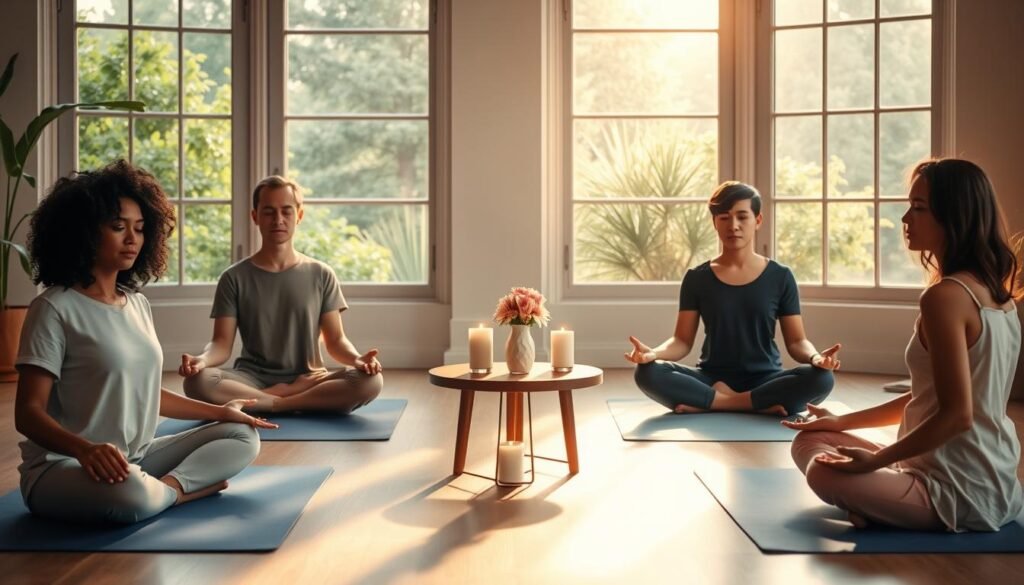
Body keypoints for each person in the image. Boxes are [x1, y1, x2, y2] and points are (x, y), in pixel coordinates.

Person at [14, 160, 276, 524]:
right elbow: (28, 413)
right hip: (64, 466)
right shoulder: (53, 308)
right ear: (84, 232)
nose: (132, 238)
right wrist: (85, 450)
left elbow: (147, 393)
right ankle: (181, 492)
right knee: (129, 493)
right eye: (118, 227)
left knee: (242, 434)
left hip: (134, 459)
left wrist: (220, 412)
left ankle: (167, 490)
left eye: (139, 228)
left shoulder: (137, 303)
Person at [785, 159, 1024, 532]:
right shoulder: (1000, 298)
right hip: (998, 485)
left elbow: (957, 414)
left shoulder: (945, 297)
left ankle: (877, 504)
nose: (905, 219)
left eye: (919, 208)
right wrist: (841, 421)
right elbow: (929, 397)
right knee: (812, 437)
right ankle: (876, 503)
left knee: (821, 471)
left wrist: (875, 463)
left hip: (955, 491)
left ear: (954, 216)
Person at [626, 181, 840, 417]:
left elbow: (797, 342)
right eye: (724, 217)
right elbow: (681, 341)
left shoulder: (781, 276)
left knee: (822, 378)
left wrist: (816, 357)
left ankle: (716, 403)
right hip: (710, 378)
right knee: (646, 372)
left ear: (757, 220)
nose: (733, 226)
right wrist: (653, 354)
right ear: (715, 222)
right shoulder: (697, 278)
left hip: (766, 379)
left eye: (742, 217)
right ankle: (752, 405)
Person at [180, 176, 383, 414]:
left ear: (299, 215)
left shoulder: (321, 274)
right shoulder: (233, 277)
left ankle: (269, 402)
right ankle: (288, 399)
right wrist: (202, 360)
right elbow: (221, 344)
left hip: (310, 378)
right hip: (251, 379)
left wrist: (358, 360)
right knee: (197, 382)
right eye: (268, 212)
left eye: (286, 211)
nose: (278, 220)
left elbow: (336, 341)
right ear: (255, 216)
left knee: (371, 381)